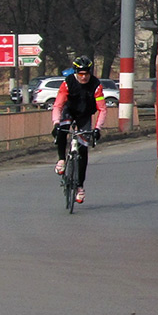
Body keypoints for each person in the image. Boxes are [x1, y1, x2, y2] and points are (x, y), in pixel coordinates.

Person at [50, 56, 107, 204]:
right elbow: (58, 105)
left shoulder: (96, 85)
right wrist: (56, 123)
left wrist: (97, 129)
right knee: (62, 129)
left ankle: (80, 187)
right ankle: (61, 159)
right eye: (80, 74)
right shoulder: (68, 83)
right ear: (75, 72)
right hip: (69, 110)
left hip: (85, 114)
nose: (83, 77)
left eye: (86, 74)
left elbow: (102, 109)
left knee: (83, 150)